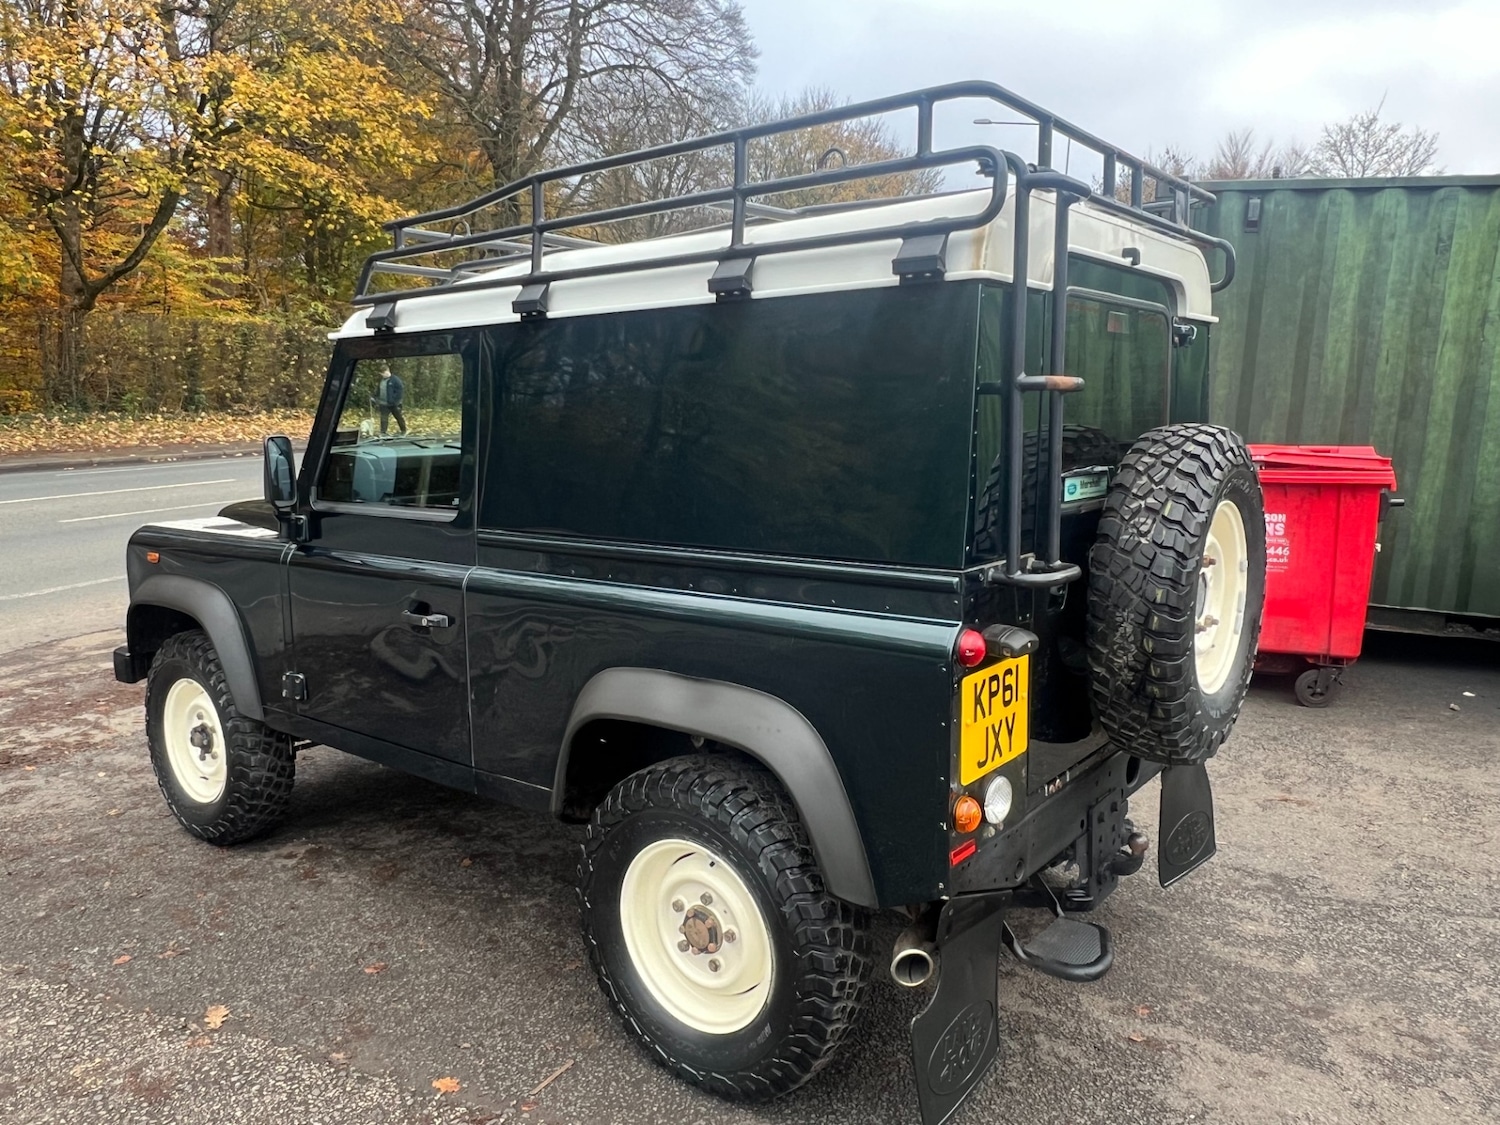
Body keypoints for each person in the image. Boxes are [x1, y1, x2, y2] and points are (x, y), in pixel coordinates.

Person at [372, 364, 407, 434]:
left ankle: (404, 430)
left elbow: (400, 391)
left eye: (383, 373)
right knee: (383, 418)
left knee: (398, 417)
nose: (382, 375)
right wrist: (375, 397)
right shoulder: (382, 381)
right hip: (383, 403)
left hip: (394, 404)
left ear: (387, 371)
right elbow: (379, 390)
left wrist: (396, 401)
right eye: (381, 374)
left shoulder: (395, 380)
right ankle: (383, 432)